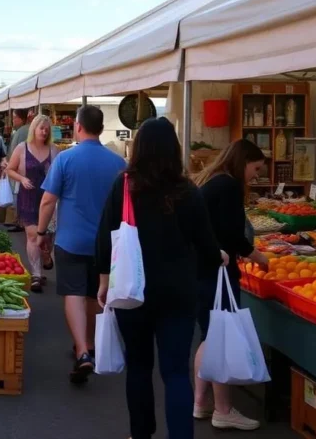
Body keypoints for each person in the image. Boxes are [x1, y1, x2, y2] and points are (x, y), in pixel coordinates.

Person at [95, 117, 227, 439]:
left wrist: (103, 282)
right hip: (178, 294)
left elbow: (104, 238)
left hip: (132, 292)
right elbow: (207, 246)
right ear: (174, 149)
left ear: (139, 148)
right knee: (176, 372)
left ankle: (141, 433)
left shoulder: (124, 186)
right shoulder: (188, 191)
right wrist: (218, 257)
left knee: (139, 367)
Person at [37, 105, 126, 383]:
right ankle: (89, 343)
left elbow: (48, 201)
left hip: (71, 240)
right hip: (107, 243)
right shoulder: (119, 163)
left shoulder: (66, 159)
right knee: (95, 294)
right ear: (101, 128)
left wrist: (41, 232)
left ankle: (82, 351)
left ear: (78, 126)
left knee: (73, 293)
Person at [192, 139, 270, 431]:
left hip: (201, 270)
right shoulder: (228, 186)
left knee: (209, 335)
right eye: (256, 169)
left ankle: (201, 401)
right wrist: (259, 257)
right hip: (216, 272)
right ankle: (223, 410)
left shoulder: (213, 180)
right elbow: (233, 235)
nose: (256, 176)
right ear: (243, 162)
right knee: (220, 337)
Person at [4, 115, 57, 292]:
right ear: (34, 129)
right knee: (33, 235)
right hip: (28, 197)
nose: (44, 132)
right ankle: (36, 274)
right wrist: (22, 178)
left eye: (47, 129)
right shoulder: (22, 148)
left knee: (47, 237)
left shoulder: (54, 150)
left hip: (48, 198)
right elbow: (10, 169)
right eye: (41, 128)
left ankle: (46, 256)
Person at [0, 109, 31, 232]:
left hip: (18, 169)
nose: (13, 121)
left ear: (21, 119)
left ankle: (20, 222)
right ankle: (19, 220)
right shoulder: (23, 130)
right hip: (21, 168)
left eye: (14, 118)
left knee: (18, 195)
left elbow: (15, 152)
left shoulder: (22, 131)